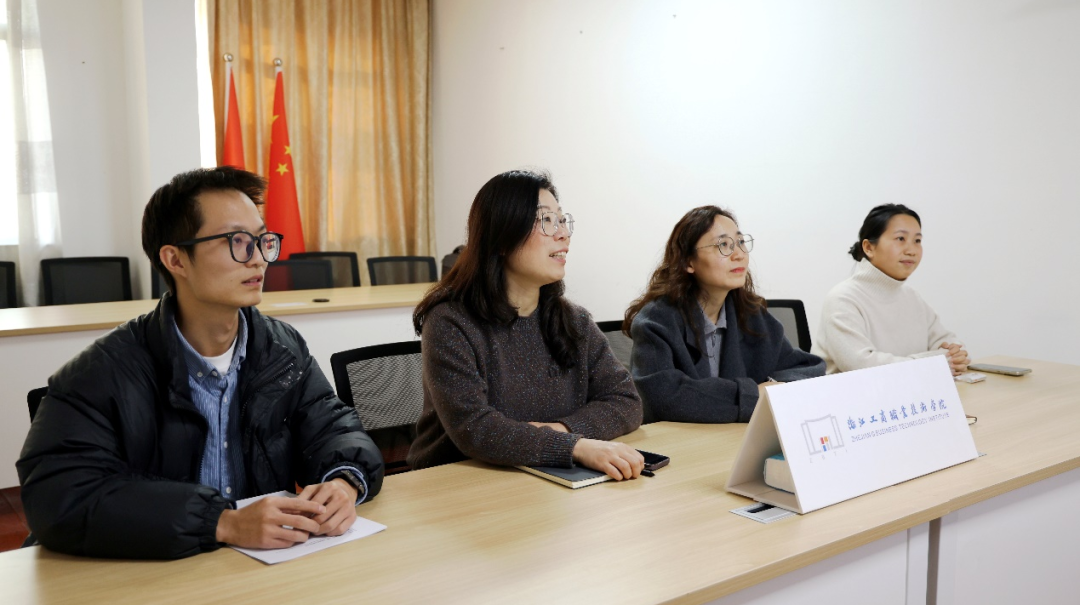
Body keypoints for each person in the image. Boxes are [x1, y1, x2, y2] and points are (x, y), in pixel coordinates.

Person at [17, 167, 384, 560]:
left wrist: (343, 481)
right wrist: (220, 522)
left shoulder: (281, 348)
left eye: (262, 240)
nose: (258, 259)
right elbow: (58, 496)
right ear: (176, 259)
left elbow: (335, 428)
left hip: (251, 568)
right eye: (237, 241)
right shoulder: (101, 373)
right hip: (149, 570)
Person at [406, 169, 644, 480]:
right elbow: (476, 429)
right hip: (460, 482)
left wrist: (563, 433)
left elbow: (625, 401)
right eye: (546, 221)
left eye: (562, 220)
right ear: (502, 238)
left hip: (543, 477)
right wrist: (575, 446)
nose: (563, 234)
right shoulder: (451, 323)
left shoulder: (574, 320)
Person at [625, 206, 824, 423]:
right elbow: (663, 397)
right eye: (723, 245)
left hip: (737, 436)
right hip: (683, 440)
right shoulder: (657, 320)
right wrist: (754, 394)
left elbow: (807, 369)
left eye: (740, 242)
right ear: (688, 262)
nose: (739, 255)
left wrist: (774, 389)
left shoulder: (751, 314)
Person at [812, 203, 969, 375]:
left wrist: (955, 356)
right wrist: (935, 362)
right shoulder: (842, 299)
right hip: (854, 392)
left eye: (917, 241)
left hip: (909, 389)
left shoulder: (911, 297)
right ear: (869, 248)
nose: (911, 250)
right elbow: (862, 366)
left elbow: (950, 344)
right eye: (900, 239)